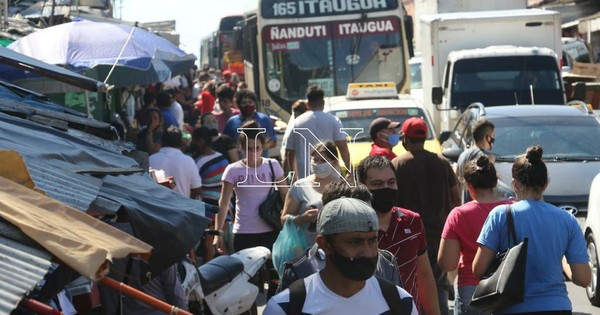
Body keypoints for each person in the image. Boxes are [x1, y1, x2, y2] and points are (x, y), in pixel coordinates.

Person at [473, 146, 590, 314]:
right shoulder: (567, 220)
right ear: (546, 183)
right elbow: (583, 279)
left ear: (515, 184)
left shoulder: (500, 215)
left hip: (511, 308)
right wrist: (563, 263)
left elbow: (478, 270)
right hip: (557, 307)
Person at [264, 198, 418, 315]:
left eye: (372, 241)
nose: (367, 252)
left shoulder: (400, 302)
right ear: (324, 244)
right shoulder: (285, 306)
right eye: (355, 242)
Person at [392, 116, 461, 315]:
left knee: (409, 283)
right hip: (439, 236)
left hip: (408, 236)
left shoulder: (397, 165)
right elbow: (456, 199)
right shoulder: (442, 162)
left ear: (405, 138)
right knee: (438, 284)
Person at [357, 155, 440, 315]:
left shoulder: (412, 221)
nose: (386, 188)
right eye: (377, 184)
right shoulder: (354, 228)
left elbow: (424, 274)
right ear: (362, 187)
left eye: (391, 182)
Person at [214, 121, 288, 295]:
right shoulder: (232, 171)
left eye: (257, 148)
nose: (253, 153)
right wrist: (218, 234)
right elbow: (223, 203)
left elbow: (286, 195)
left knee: (276, 279)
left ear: (264, 147)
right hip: (243, 233)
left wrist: (289, 222)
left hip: (271, 231)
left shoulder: (273, 165)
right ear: (241, 148)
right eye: (249, 148)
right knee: (247, 284)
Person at [438, 156, 512, 315]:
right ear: (495, 182)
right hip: (508, 285)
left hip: (471, 290)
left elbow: (447, 264)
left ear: (468, 185)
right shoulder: (512, 209)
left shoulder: (459, 215)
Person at [281, 141, 340, 246]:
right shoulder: (300, 186)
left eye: (323, 160)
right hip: (305, 249)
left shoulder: (342, 186)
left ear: (334, 162)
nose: (318, 164)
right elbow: (284, 219)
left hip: (336, 248)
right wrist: (302, 218)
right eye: (315, 160)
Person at [285, 85, 350, 180]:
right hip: (330, 175)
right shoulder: (334, 120)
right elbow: (343, 148)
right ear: (323, 103)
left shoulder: (297, 123)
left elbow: (290, 153)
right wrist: (349, 171)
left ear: (307, 104)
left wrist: (293, 176)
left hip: (305, 176)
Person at [192, 126, 230, 261]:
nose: (193, 144)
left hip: (208, 208)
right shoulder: (222, 158)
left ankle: (208, 277)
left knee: (208, 245)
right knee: (220, 243)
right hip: (225, 206)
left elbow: (196, 188)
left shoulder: (198, 162)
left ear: (201, 141)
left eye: (195, 141)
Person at [149, 126, 202, 198]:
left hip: (156, 206)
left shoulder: (151, 159)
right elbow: (197, 189)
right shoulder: (188, 161)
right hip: (182, 206)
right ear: (181, 143)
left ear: (161, 142)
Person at [222, 90, 277, 157]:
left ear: (254, 103)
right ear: (239, 105)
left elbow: (273, 141)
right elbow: (225, 142)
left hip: (261, 162)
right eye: (244, 103)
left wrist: (261, 147)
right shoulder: (231, 122)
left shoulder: (264, 119)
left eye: (250, 102)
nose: (247, 105)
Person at [281, 99, 308, 177]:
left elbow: (288, 155)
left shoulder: (293, 128)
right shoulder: (310, 126)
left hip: (299, 169)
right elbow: (288, 154)